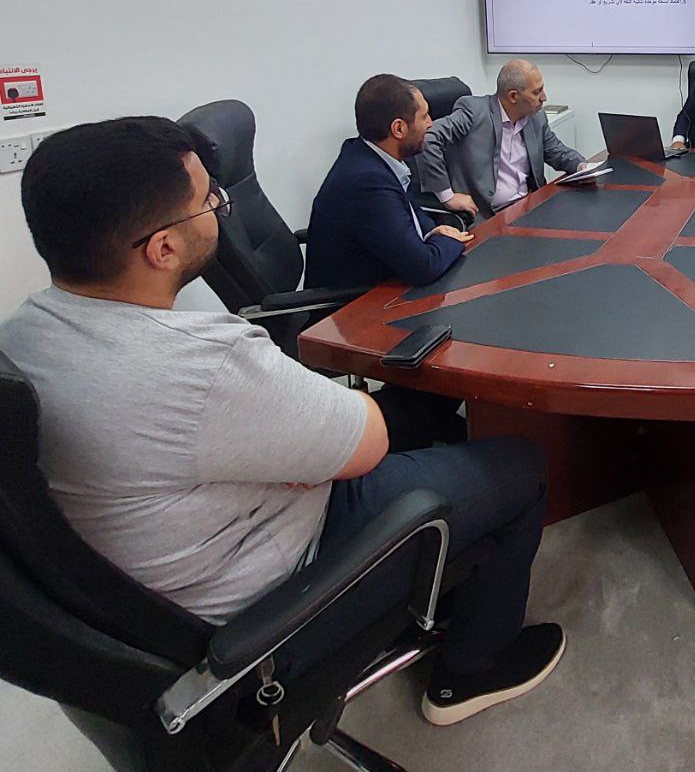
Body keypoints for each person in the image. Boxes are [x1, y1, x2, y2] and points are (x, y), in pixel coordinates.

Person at [0, 117, 565, 725]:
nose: (220, 210)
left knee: (415, 419)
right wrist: (311, 451)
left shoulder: (21, 337)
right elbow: (369, 442)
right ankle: (473, 670)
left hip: (162, 586)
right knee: (520, 465)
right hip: (272, 600)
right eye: (208, 202)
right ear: (162, 249)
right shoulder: (201, 363)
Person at [306, 74, 475, 446]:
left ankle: (433, 416)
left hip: (381, 283)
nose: (431, 123)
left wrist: (435, 232)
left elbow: (409, 213)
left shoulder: (371, 157)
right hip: (352, 308)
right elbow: (423, 267)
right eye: (425, 116)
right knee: (464, 324)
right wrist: (450, 240)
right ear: (399, 128)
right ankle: (403, 426)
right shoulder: (365, 181)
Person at [417, 59, 585, 219]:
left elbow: (556, 151)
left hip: (530, 207)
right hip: (486, 215)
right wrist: (447, 196)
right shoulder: (474, 112)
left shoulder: (536, 117)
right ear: (513, 96)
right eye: (536, 92)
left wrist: (582, 166)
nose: (544, 98)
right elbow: (429, 137)